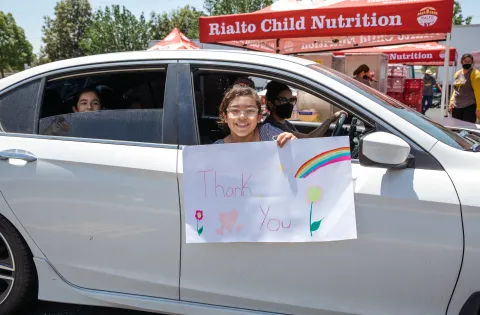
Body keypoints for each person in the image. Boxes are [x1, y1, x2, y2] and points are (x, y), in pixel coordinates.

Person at [215, 85, 296, 147]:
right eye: (235, 110)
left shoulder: (270, 135)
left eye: (250, 110)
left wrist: (295, 145)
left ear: (259, 117)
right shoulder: (216, 149)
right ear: (225, 116)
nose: (242, 116)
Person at [263, 81, 346, 138]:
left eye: (291, 100)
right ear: (270, 103)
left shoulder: (285, 123)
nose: (289, 104)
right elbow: (309, 139)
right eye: (284, 100)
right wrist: (330, 119)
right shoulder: (271, 127)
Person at [449, 53, 480, 123]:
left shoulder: (475, 74)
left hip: (469, 107)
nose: (467, 63)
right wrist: (451, 101)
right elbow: (456, 89)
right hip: (456, 107)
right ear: (462, 61)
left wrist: (478, 109)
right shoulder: (457, 73)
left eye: (469, 61)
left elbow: (478, 92)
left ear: (472, 62)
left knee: (466, 131)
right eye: (465, 61)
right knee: (455, 130)